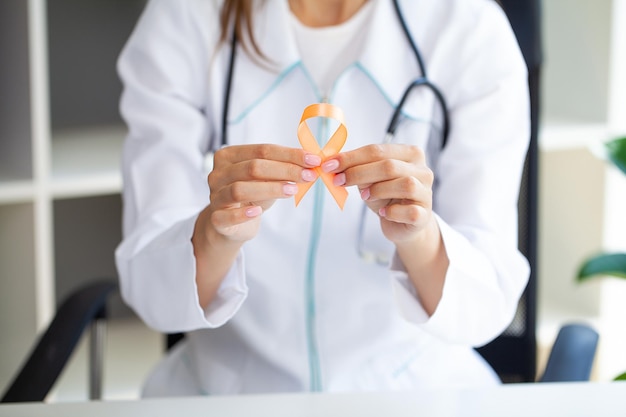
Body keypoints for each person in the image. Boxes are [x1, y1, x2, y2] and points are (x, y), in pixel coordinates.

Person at [115, 0, 531, 397]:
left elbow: (487, 298)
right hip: (229, 392)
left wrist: (420, 237)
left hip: (416, 390)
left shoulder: (468, 29)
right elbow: (150, 287)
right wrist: (214, 234)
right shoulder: (186, 17)